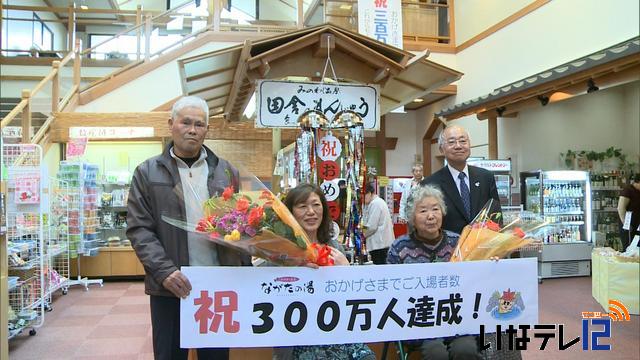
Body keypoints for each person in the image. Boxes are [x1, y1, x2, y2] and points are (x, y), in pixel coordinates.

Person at [127, 96, 250, 360]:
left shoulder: (225, 171)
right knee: (170, 354)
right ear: (171, 124)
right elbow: (139, 228)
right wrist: (165, 271)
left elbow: (241, 224)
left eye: (199, 124)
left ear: (207, 130)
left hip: (216, 285)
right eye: (186, 122)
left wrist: (244, 271)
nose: (192, 129)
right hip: (171, 285)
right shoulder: (147, 172)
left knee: (215, 356)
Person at [278, 183, 375, 360]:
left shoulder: (334, 247)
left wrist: (347, 270)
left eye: (316, 205)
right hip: (299, 335)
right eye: (302, 206)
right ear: (290, 213)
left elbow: (353, 295)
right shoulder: (280, 252)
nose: (311, 212)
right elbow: (267, 291)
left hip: (337, 329)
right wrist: (293, 273)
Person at [387, 185, 481, 360]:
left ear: (443, 212)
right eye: (423, 211)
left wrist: (490, 261)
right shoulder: (399, 247)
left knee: (466, 349)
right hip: (419, 320)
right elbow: (391, 290)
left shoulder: (457, 241)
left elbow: (472, 278)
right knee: (435, 352)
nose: (431, 216)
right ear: (412, 218)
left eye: (435, 209)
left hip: (454, 316)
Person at [421, 125, 502, 235]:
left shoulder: (486, 177)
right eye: (451, 142)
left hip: (482, 247)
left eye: (463, 141)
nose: (458, 146)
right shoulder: (430, 184)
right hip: (447, 249)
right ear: (441, 149)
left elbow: (496, 215)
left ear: (469, 145)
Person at [362, 183, 395, 264]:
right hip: (382, 244)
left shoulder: (375, 204)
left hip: (380, 245)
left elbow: (371, 226)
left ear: (369, 193)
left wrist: (362, 233)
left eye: (363, 196)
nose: (362, 200)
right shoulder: (377, 202)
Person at [618, 173, 640, 249]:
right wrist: (625, 224)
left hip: (638, 224)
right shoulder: (628, 190)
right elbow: (621, 208)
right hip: (629, 224)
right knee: (629, 248)